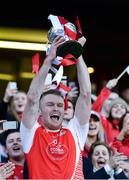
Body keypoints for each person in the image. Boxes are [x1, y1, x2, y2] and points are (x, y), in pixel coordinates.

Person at [20, 35, 91, 179]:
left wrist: (77, 54)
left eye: (60, 105)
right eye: (50, 104)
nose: (56, 108)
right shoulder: (31, 133)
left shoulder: (75, 131)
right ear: (39, 111)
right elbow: (32, 98)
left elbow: (86, 94)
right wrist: (48, 61)